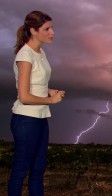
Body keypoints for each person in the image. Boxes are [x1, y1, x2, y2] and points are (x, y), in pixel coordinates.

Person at [8, 11, 65, 196]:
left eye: (52, 27)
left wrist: (48, 90)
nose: (52, 32)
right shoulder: (25, 55)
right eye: (47, 28)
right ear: (33, 30)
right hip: (25, 120)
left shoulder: (41, 52)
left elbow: (36, 82)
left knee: (38, 170)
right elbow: (24, 96)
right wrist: (51, 100)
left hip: (40, 118)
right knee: (20, 171)